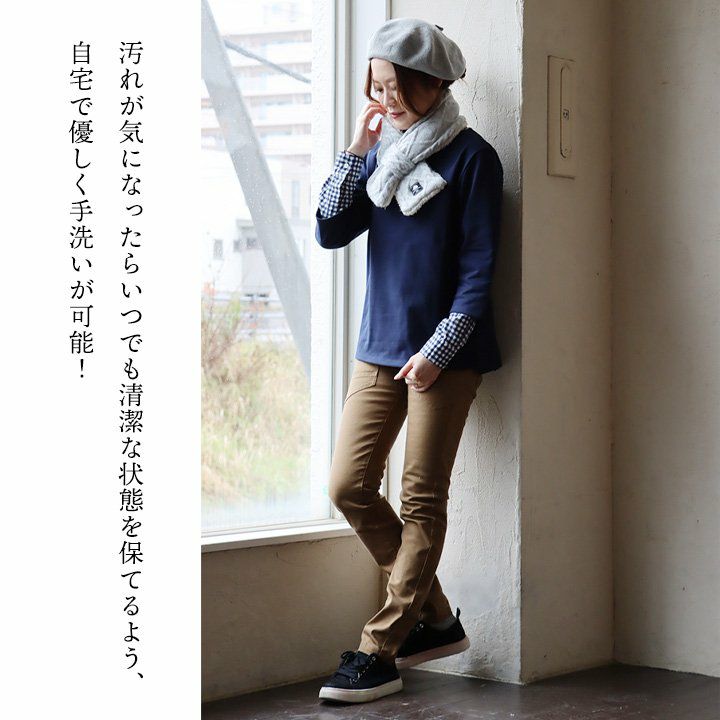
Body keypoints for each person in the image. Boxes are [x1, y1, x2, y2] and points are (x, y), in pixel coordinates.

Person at [315, 17, 504, 704]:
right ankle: (437, 619)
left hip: (444, 355)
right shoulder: (381, 158)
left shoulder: (472, 158)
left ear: (433, 84)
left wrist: (438, 351)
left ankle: (380, 649)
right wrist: (356, 151)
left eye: (396, 87)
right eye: (376, 87)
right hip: (378, 346)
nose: (385, 99)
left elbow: (479, 272)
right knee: (348, 486)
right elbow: (330, 229)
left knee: (422, 499)